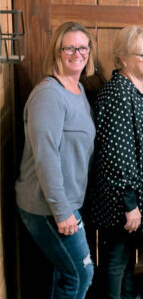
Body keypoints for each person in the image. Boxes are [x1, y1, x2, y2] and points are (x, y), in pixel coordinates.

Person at [14, 21, 96, 298]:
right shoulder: (49, 94)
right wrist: (62, 210)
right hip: (47, 206)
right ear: (57, 52)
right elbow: (46, 156)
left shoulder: (78, 90)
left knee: (60, 276)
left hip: (65, 203)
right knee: (80, 273)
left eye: (83, 47)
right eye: (69, 47)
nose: (77, 53)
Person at [88, 25, 143, 298]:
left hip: (137, 196)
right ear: (123, 58)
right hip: (121, 199)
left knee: (127, 257)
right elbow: (116, 156)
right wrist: (129, 204)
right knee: (116, 260)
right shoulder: (118, 94)